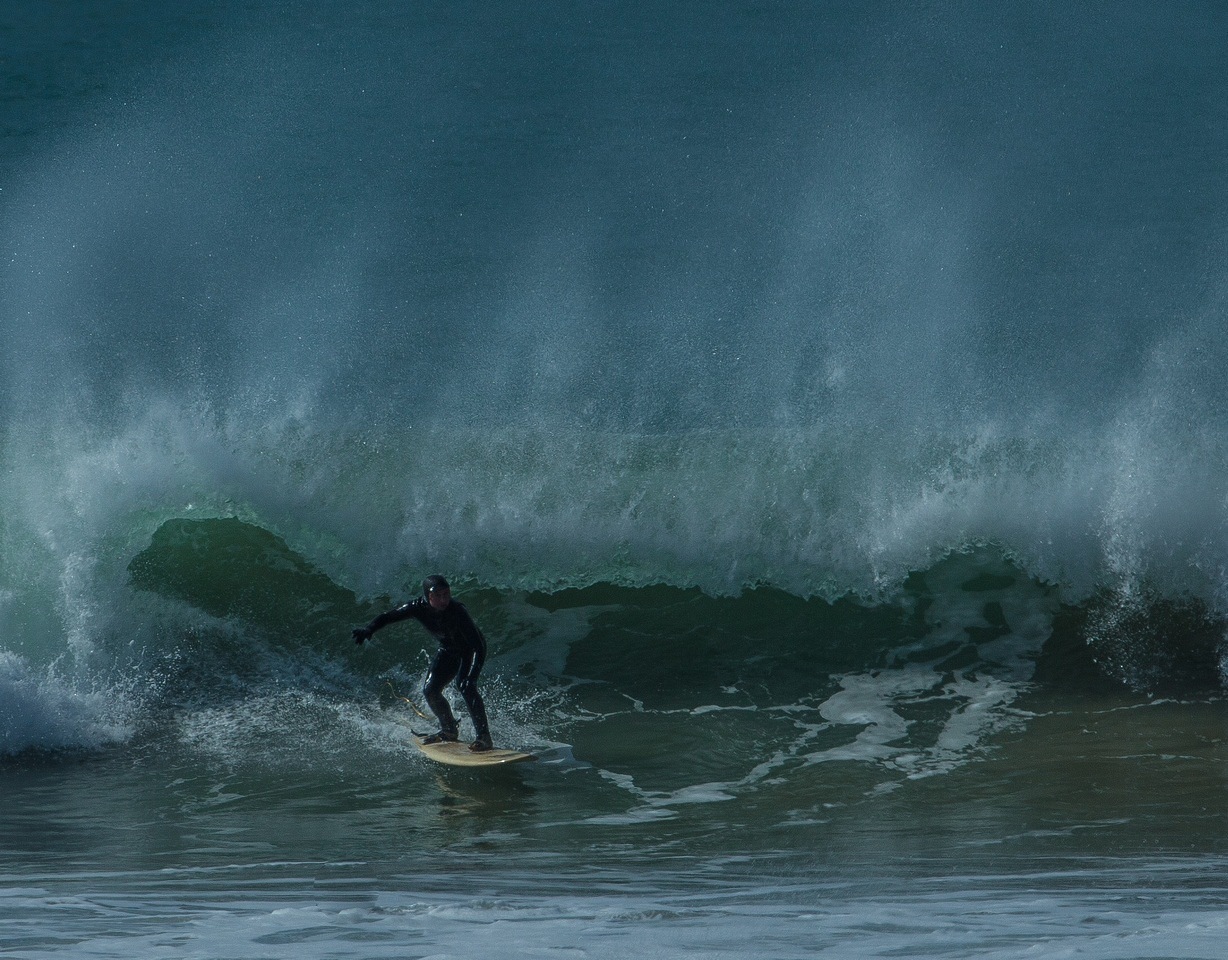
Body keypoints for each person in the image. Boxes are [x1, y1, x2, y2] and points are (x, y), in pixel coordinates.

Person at [351, 574, 493, 752]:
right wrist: (369, 629)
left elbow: (478, 646)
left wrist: (472, 675)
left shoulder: (457, 611)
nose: (444, 600)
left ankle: (484, 737)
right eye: (438, 596)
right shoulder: (417, 607)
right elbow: (389, 616)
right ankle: (449, 729)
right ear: (428, 596)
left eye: (446, 594)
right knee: (430, 690)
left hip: (470, 649)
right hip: (448, 649)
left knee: (465, 685)